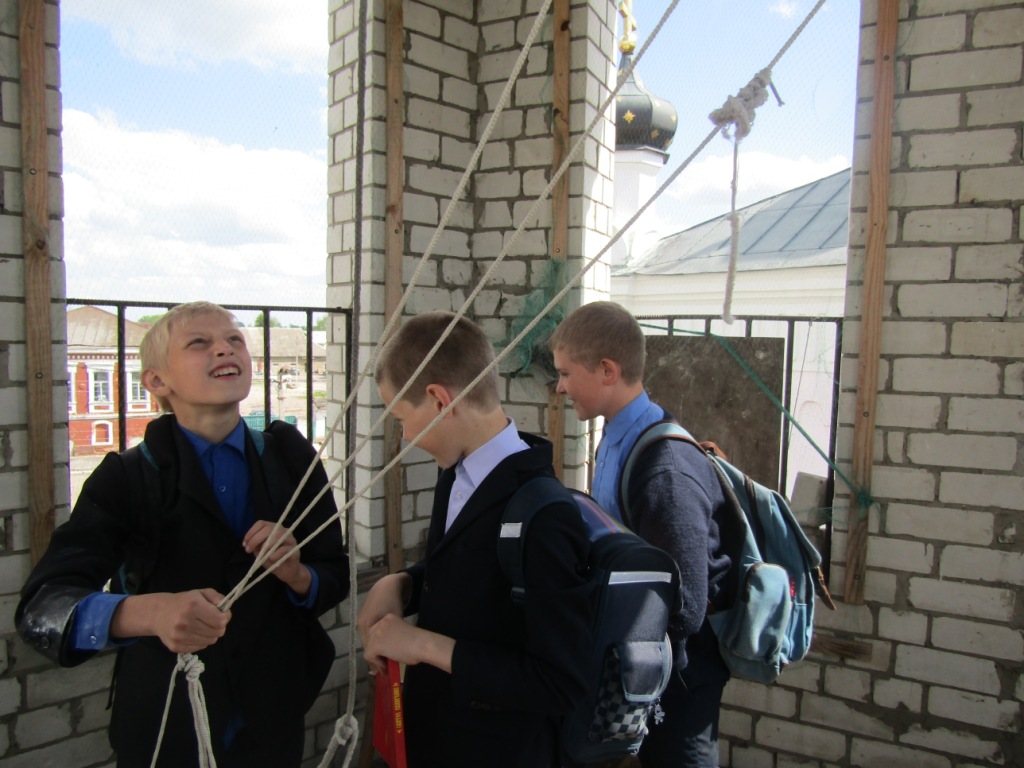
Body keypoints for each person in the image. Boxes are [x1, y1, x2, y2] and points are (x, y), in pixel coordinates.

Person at [16, 301, 350, 768]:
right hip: (165, 723)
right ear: (157, 381)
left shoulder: (291, 460)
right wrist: (147, 613)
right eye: (199, 342)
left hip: (271, 721)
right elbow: (42, 608)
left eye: (234, 340)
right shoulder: (126, 478)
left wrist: (298, 575)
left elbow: (334, 576)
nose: (224, 349)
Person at [356, 311, 594, 768]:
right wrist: (401, 584)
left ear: (439, 400)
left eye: (402, 419)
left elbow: (560, 683)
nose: (406, 437)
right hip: (438, 737)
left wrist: (423, 645)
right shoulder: (458, 472)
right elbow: (470, 572)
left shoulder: (545, 515)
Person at [548, 300, 732, 768]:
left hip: (680, 681)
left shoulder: (665, 469)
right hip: (641, 666)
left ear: (607, 371)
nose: (560, 386)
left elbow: (686, 608)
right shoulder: (617, 435)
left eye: (566, 373)